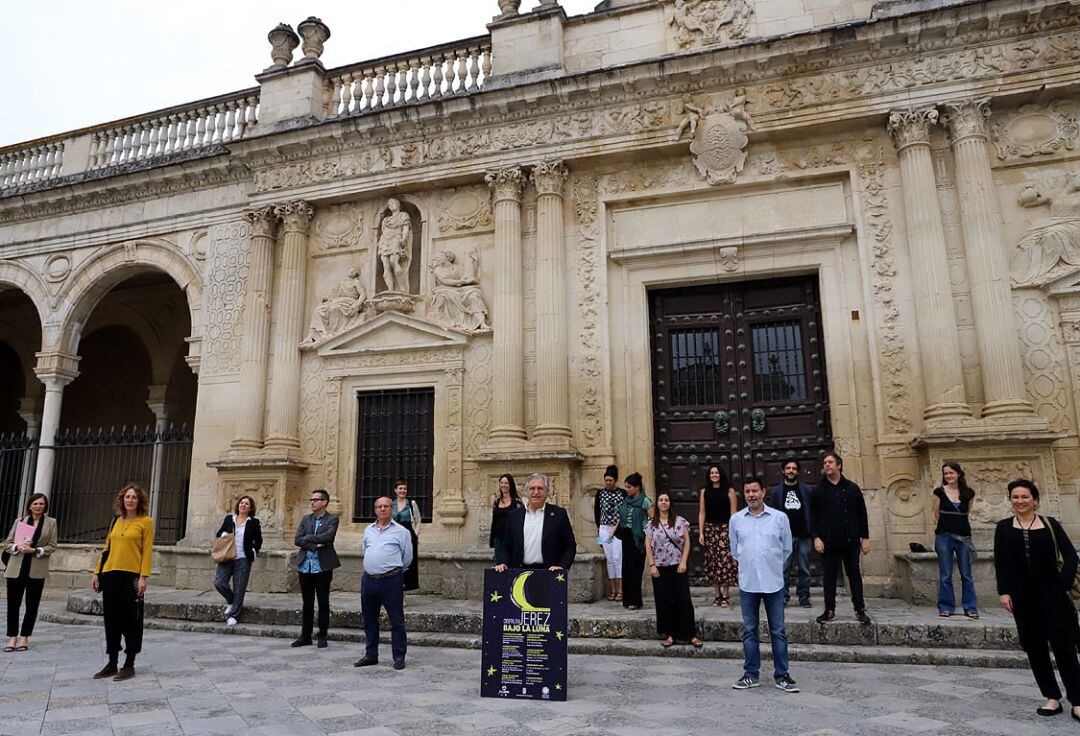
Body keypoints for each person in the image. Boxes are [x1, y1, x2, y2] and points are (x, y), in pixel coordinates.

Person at [994, 479, 1080, 721]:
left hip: (1054, 596)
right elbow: (1001, 563)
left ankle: (1077, 700)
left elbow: (1071, 557)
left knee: (1065, 648)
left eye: (1024, 496)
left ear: (1035, 500)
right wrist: (1004, 591)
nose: (1020, 501)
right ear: (1010, 500)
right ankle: (1052, 697)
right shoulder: (1002, 528)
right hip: (1023, 598)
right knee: (1035, 648)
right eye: (1015, 497)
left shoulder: (1050, 524)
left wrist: (1060, 586)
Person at [729, 479, 798, 693]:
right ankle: (751, 674)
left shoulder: (779, 518)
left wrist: (772, 566)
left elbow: (787, 549)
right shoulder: (736, 520)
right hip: (748, 583)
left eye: (755, 491)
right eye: (747, 491)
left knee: (778, 631)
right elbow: (735, 550)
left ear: (763, 492)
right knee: (750, 630)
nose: (751, 495)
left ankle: (782, 675)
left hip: (773, 582)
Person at [91, 483, 153, 681]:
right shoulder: (115, 521)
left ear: (139, 500)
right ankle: (112, 662)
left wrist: (143, 577)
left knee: (131, 620)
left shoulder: (146, 522)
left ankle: (129, 663)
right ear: (122, 499)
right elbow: (106, 548)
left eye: (134, 497)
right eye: (127, 497)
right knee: (111, 619)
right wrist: (96, 572)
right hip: (110, 573)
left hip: (132, 576)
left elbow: (147, 551)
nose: (131, 500)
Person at [810, 452, 871, 624]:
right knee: (829, 577)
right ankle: (829, 610)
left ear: (839, 465)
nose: (827, 465)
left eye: (830, 462)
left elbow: (862, 514)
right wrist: (816, 537)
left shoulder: (852, 488)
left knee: (854, 575)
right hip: (828, 541)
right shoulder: (818, 491)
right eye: (825, 463)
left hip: (850, 540)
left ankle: (859, 609)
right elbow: (813, 517)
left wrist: (864, 537)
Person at [355, 497, 414, 670]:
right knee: (369, 619)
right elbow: (365, 550)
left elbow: (407, 558)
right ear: (375, 510)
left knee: (396, 620)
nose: (383, 509)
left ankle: (399, 656)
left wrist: (390, 571)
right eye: (379, 507)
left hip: (391, 580)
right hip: (369, 580)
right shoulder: (368, 530)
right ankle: (371, 655)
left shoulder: (402, 532)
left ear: (392, 509)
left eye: (386, 506)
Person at [644, 491, 702, 648]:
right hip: (660, 567)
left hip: (678, 566)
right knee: (664, 601)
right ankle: (670, 634)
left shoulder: (680, 521)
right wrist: (652, 565)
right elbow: (648, 546)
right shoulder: (651, 524)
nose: (663, 502)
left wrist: (683, 562)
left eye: (666, 500)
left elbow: (687, 542)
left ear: (670, 503)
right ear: (657, 503)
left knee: (684, 599)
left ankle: (691, 634)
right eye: (661, 500)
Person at [2, 493, 57, 652]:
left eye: (41, 504)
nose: (38, 506)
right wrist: (17, 547)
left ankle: (24, 637)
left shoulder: (51, 523)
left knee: (32, 605)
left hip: (36, 569)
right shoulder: (20, 521)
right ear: (30, 506)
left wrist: (36, 550)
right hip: (16, 569)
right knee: (13, 605)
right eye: (35, 504)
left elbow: (52, 546)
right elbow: (7, 543)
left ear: (45, 506)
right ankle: (12, 638)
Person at [495, 473, 576, 572]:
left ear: (547, 491)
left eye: (540, 488)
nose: (536, 492)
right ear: (527, 491)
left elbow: (570, 546)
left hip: (550, 574)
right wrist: (503, 563)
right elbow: (506, 546)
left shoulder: (559, 514)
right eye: (532, 488)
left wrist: (562, 566)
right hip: (519, 573)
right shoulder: (514, 516)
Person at [292, 488, 340, 648]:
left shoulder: (332, 519)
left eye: (315, 500)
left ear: (324, 502)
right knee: (307, 602)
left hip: (323, 566)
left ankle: (322, 635)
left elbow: (329, 537)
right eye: (311, 500)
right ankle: (305, 635)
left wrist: (308, 539)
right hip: (305, 566)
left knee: (323, 601)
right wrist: (315, 544)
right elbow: (297, 540)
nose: (312, 502)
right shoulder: (306, 519)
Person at [933, 462, 978, 619]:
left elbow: (967, 513)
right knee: (945, 574)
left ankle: (970, 607)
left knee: (966, 574)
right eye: (946, 473)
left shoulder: (969, 493)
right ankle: (946, 606)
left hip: (963, 538)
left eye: (951, 473)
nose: (949, 476)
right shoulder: (939, 492)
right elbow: (936, 513)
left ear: (958, 474)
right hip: (944, 536)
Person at [769, 459, 814, 608]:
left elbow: (812, 512)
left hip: (803, 536)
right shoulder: (776, 492)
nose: (791, 471)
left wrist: (813, 533)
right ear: (783, 471)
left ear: (798, 472)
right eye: (788, 468)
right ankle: (783, 597)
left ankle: (804, 597)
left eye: (794, 468)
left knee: (805, 569)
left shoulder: (806, 490)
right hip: (783, 538)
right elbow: (772, 515)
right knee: (783, 569)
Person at [214, 495, 263, 626]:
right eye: (241, 503)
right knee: (219, 582)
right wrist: (223, 534)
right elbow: (219, 533)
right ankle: (231, 601)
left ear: (250, 508)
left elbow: (258, 540)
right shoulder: (229, 519)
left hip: (243, 558)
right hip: (227, 556)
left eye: (246, 504)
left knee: (240, 588)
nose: (243, 505)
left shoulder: (253, 522)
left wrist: (253, 551)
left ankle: (233, 615)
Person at [698, 465, 739, 607]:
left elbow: (733, 514)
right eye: (712, 472)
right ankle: (717, 594)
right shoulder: (704, 491)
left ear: (721, 474)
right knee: (713, 562)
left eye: (716, 472)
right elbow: (702, 512)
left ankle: (726, 593)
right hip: (710, 530)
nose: (714, 474)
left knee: (726, 562)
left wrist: (733, 532)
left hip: (725, 529)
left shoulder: (730, 491)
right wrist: (701, 532)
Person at [616, 472, 652, 610]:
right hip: (627, 536)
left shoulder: (645, 501)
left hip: (639, 538)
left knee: (635, 569)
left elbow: (652, 519)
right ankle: (627, 599)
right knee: (626, 567)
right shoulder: (626, 501)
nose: (626, 489)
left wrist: (647, 537)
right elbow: (621, 518)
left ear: (637, 487)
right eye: (625, 486)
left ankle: (636, 600)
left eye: (629, 486)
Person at [593, 465, 625, 602]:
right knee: (610, 559)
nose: (608, 482)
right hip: (604, 528)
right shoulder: (600, 493)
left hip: (617, 529)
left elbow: (624, 513)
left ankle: (621, 590)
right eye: (606, 480)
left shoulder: (622, 493)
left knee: (618, 558)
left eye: (610, 480)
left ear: (615, 480)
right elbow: (597, 512)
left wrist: (617, 528)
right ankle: (612, 590)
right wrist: (599, 530)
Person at [391, 480, 422, 600]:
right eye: (400, 488)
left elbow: (418, 519)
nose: (402, 491)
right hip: (394, 535)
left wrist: (415, 534)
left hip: (408, 535)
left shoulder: (411, 503)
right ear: (395, 490)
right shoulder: (391, 504)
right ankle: (395, 591)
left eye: (404, 488)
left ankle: (403, 593)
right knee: (394, 563)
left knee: (407, 564)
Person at [489, 474, 521, 565]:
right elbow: (494, 521)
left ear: (510, 485)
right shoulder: (496, 502)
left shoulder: (517, 502)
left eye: (506, 483)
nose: (504, 485)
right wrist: (492, 540)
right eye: (502, 483)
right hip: (498, 538)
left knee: (510, 562)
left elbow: (519, 521)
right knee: (499, 564)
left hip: (511, 538)